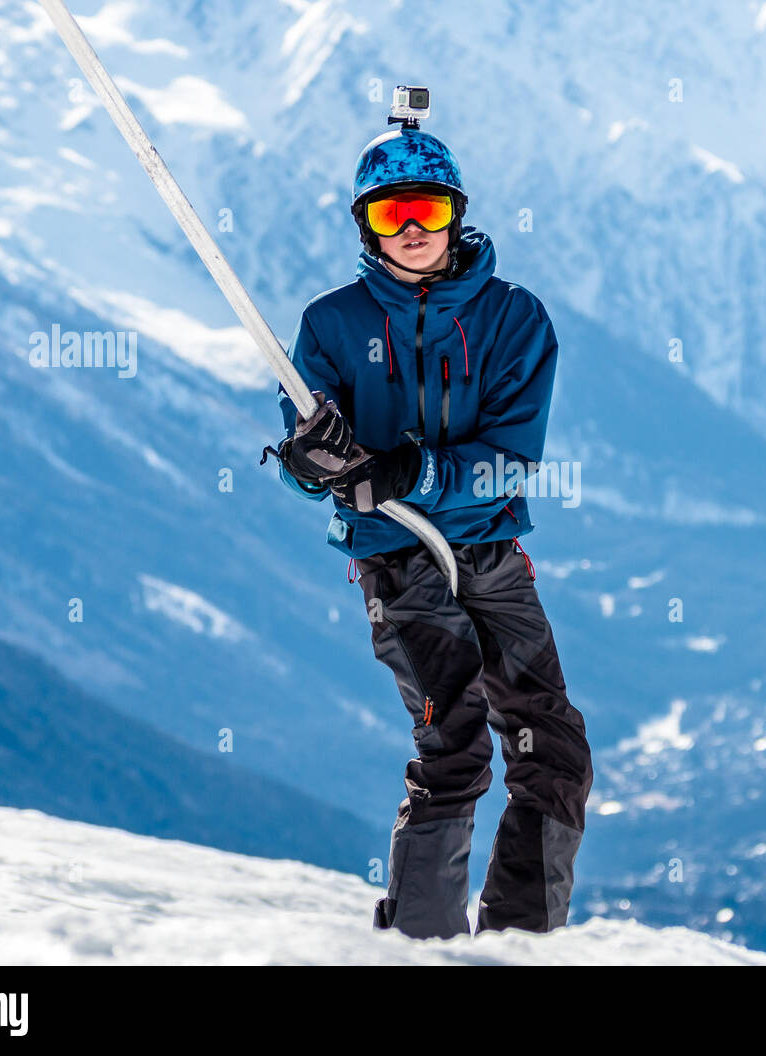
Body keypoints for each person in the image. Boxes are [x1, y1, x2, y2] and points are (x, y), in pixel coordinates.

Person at [267, 119, 594, 940]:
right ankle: (421, 947)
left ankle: (522, 943)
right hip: (397, 565)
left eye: (426, 211)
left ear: (457, 214)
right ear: (365, 227)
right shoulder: (331, 326)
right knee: (455, 745)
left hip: (489, 554)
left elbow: (510, 463)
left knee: (550, 751)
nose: (411, 231)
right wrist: (317, 462)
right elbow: (313, 470)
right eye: (388, 216)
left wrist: (411, 472)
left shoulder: (513, 320)